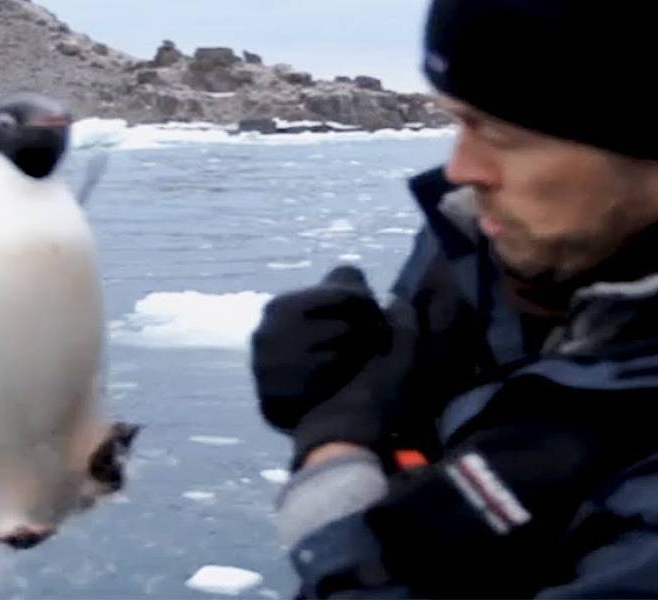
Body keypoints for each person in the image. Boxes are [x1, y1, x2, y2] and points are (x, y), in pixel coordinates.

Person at [250, 1, 658, 597]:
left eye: (503, 136)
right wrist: (372, 403)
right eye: (459, 121)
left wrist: (333, 457)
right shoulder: (488, 243)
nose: (461, 168)